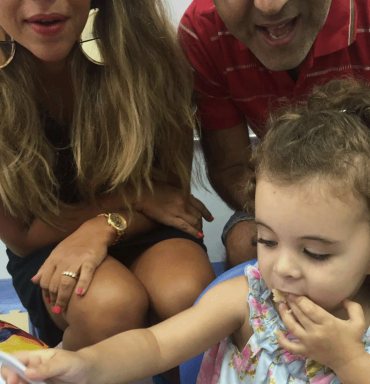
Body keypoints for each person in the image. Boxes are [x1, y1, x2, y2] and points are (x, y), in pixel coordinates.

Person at [3, 80, 370, 384]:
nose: (281, 268)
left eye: (315, 253)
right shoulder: (249, 299)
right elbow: (156, 345)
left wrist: (348, 359)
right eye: (267, 240)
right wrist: (85, 365)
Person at [178, 0, 370, 291]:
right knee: (245, 243)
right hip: (282, 195)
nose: (269, 7)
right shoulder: (204, 30)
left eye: (316, 253)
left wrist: (351, 238)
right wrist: (303, 231)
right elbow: (231, 168)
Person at [0, 0, 215, 355]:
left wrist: (105, 226)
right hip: (47, 241)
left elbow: (173, 197)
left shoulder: (150, 52)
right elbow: (22, 235)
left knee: (186, 295)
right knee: (111, 306)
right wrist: (132, 200)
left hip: (146, 224)